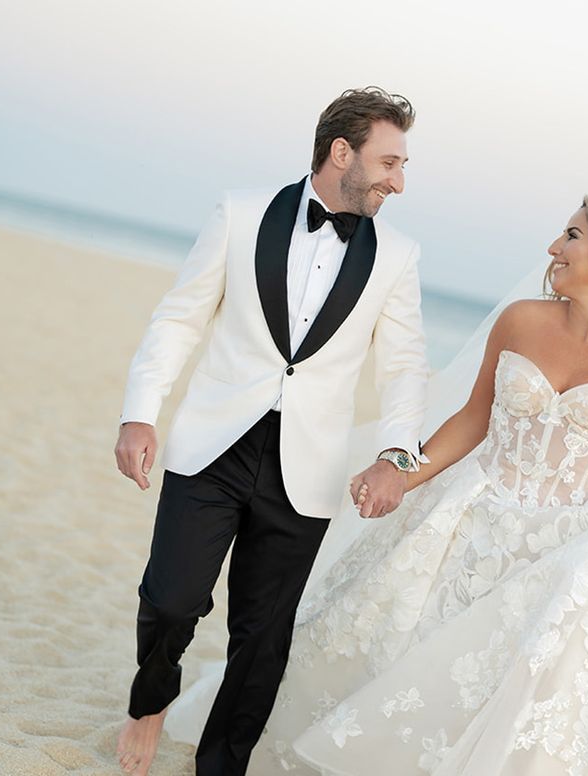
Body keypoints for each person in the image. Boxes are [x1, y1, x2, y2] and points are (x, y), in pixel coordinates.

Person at [185, 194, 588, 774]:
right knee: (394, 649)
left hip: (565, 545)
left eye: (571, 236)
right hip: (470, 518)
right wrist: (400, 472)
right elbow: (472, 419)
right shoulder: (522, 321)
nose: (554, 248)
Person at [113, 87, 429, 775]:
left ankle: (221, 765)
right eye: (389, 162)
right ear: (341, 152)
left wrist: (395, 457)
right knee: (169, 602)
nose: (398, 182)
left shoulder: (397, 256)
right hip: (213, 445)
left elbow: (406, 369)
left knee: (261, 641)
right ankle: (151, 700)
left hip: (306, 469)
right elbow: (180, 319)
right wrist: (141, 411)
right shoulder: (240, 212)